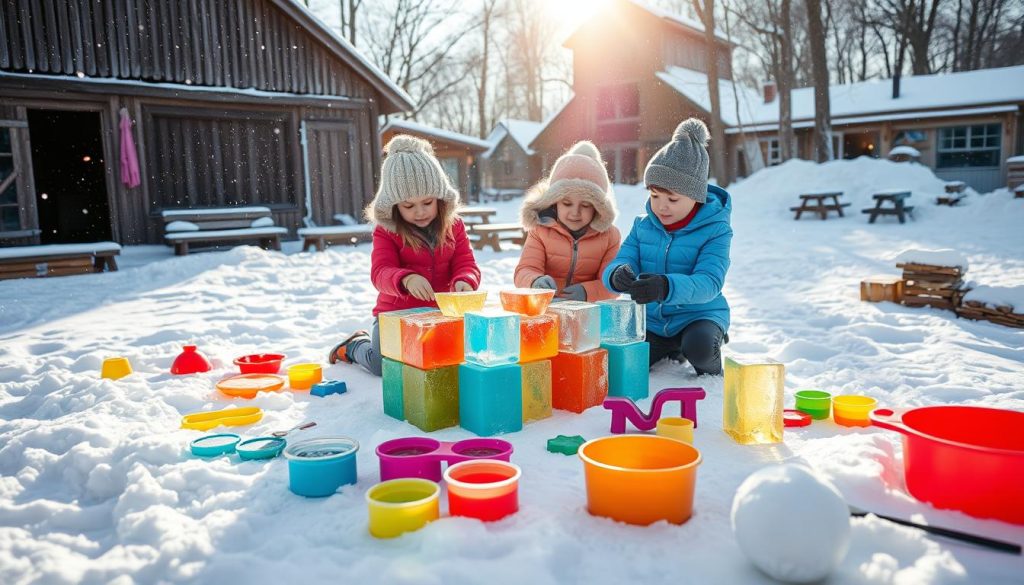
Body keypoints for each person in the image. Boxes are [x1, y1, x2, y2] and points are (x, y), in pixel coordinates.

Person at [329, 134, 481, 376]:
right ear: (395, 206)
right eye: (408, 206)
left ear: (440, 199)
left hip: (440, 315)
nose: (420, 212)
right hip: (396, 316)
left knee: (451, 361)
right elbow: (380, 273)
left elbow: (466, 262)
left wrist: (465, 280)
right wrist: (406, 279)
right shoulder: (387, 231)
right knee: (383, 366)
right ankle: (355, 345)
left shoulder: (454, 226)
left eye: (427, 202)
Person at [603, 118, 731, 375]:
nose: (661, 206)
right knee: (622, 363)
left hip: (698, 316)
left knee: (700, 348)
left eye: (672, 199)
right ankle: (671, 347)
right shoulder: (643, 226)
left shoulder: (717, 230)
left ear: (696, 196)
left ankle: (707, 350)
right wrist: (618, 276)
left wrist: (666, 286)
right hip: (652, 322)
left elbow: (709, 282)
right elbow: (621, 260)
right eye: (654, 196)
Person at [514, 141, 621, 301]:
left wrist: (588, 292)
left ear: (598, 208)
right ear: (554, 201)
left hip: (589, 313)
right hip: (548, 309)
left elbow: (612, 283)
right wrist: (535, 281)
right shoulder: (541, 230)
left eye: (585, 205)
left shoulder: (609, 237)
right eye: (567, 203)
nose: (575, 212)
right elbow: (524, 270)